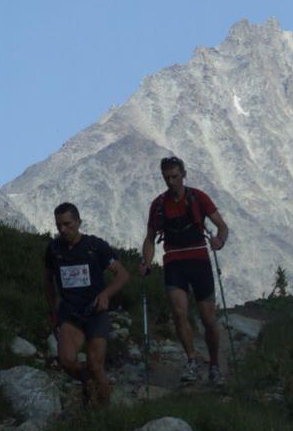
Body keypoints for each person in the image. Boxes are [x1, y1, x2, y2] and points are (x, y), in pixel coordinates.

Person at [141, 156, 229, 384]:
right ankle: (191, 360)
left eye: (174, 177)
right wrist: (146, 261)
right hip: (174, 262)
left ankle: (214, 364)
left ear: (183, 175)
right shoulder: (158, 205)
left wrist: (220, 240)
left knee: (208, 319)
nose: (170, 182)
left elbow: (221, 226)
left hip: (199, 259)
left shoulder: (198, 198)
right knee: (179, 313)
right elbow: (150, 238)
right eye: (166, 177)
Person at [43, 202, 129, 406]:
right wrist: (53, 307)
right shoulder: (54, 249)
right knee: (66, 360)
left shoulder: (95, 246)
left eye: (67, 224)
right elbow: (47, 279)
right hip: (70, 313)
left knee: (96, 365)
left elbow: (123, 274)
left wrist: (106, 294)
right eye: (58, 225)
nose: (63, 229)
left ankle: (105, 411)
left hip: (95, 312)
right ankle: (87, 382)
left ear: (78, 222)